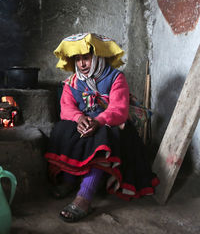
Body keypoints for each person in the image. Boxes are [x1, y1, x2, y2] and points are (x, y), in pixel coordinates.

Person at [45, 33, 159, 222]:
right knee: (62, 130)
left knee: (102, 137)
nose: (82, 64)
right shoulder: (71, 83)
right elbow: (66, 108)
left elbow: (119, 109)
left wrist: (97, 121)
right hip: (83, 121)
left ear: (98, 57)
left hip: (110, 123)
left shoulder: (115, 78)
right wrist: (79, 118)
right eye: (78, 59)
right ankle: (69, 179)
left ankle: (85, 195)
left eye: (87, 58)